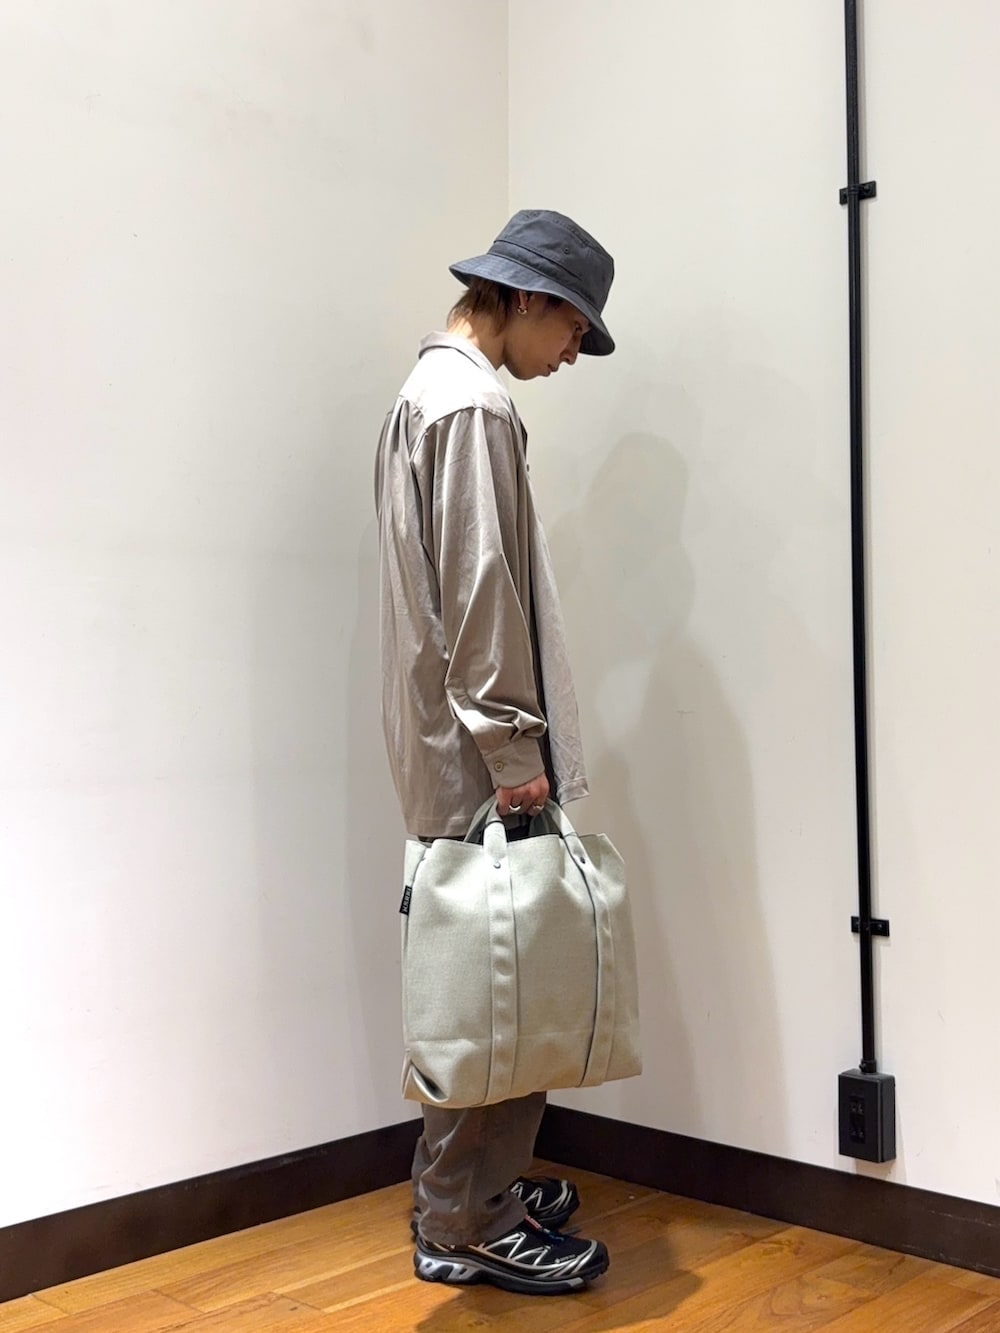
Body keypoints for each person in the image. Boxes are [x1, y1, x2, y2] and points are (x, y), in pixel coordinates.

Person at [374, 209, 616, 1295]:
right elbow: (479, 595)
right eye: (572, 329)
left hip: (448, 740)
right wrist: (514, 746)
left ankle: (476, 1188)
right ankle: (467, 1217)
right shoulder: (471, 405)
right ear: (523, 298)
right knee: (500, 982)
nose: (570, 355)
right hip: (481, 750)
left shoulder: (426, 392)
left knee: (487, 974)